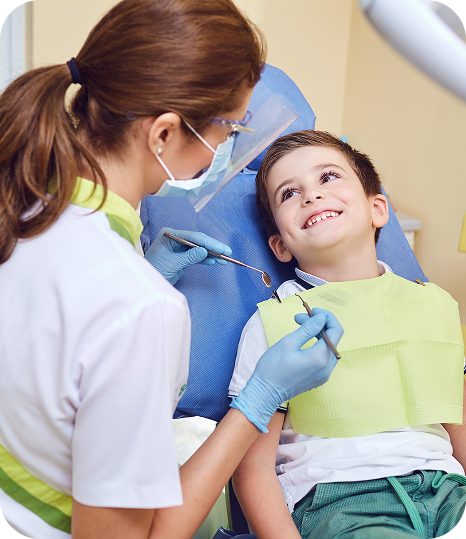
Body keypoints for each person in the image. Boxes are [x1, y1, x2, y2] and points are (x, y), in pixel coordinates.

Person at [0, 3, 346, 539]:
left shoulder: (24, 204)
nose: (231, 149)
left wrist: (142, 273)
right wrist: (258, 402)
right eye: (229, 128)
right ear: (162, 134)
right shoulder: (140, 308)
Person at [228, 130, 466, 539]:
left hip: (448, 491)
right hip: (342, 502)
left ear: (377, 210)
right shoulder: (275, 324)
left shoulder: (436, 305)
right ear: (279, 246)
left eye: (328, 177)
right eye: (288, 193)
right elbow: (251, 468)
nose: (311, 196)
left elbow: (459, 427)